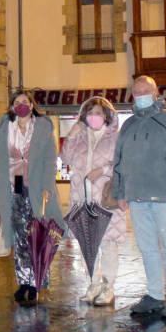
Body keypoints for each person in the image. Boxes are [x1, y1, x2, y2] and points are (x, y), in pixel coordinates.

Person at [112, 76, 166, 318]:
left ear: (156, 92)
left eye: (146, 90)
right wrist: (120, 192)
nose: (142, 95)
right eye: (137, 92)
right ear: (132, 95)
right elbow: (119, 161)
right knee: (147, 248)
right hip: (137, 196)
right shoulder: (127, 126)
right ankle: (155, 294)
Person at [0, 91, 63, 303]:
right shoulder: (5, 127)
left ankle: (37, 280)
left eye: (25, 102)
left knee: (38, 235)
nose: (21, 105)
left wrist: (48, 185)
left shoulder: (42, 127)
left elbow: (50, 158)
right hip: (17, 183)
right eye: (17, 102)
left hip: (38, 184)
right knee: (21, 236)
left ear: (32, 105)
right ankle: (24, 281)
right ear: (12, 106)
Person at [60, 96, 126, 306]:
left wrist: (103, 170)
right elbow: (67, 158)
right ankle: (93, 283)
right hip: (82, 197)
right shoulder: (80, 136)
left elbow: (123, 164)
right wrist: (71, 134)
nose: (94, 117)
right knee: (88, 244)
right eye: (90, 113)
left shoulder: (116, 137)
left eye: (98, 113)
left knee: (107, 243)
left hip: (105, 196)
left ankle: (108, 287)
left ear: (106, 115)